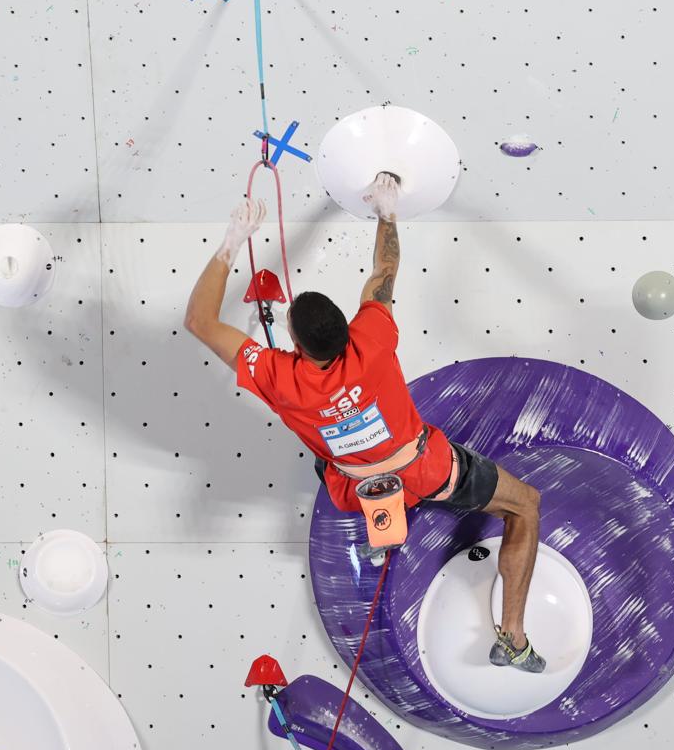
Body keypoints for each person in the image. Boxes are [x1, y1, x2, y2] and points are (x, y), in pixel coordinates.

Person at [183, 173, 546, 672]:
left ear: (294, 341)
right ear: (345, 326)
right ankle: (514, 638)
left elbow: (201, 322)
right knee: (525, 506)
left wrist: (232, 243)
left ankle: (385, 526)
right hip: (427, 470)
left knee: (333, 464)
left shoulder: (278, 377)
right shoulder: (372, 336)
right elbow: (385, 268)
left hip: (356, 487)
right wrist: (387, 209)